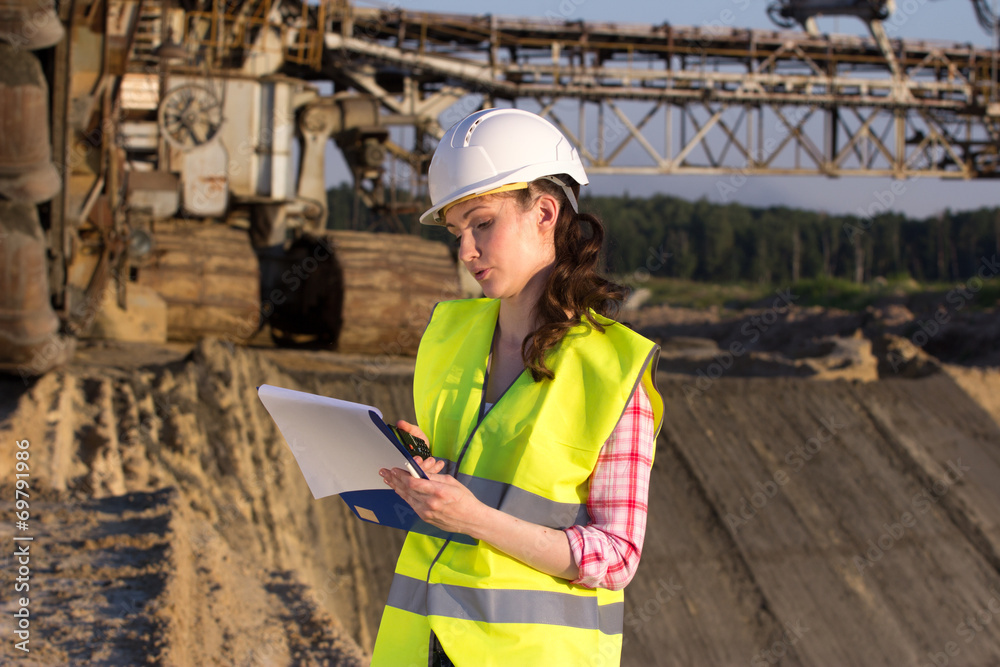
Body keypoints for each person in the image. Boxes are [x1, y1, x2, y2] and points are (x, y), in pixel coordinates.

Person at [373, 108, 664, 666]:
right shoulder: (449, 338)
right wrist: (423, 471)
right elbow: (474, 480)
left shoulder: (612, 370)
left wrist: (473, 518)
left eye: (482, 223)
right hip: (425, 643)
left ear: (545, 214)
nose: (466, 251)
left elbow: (617, 554)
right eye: (459, 231)